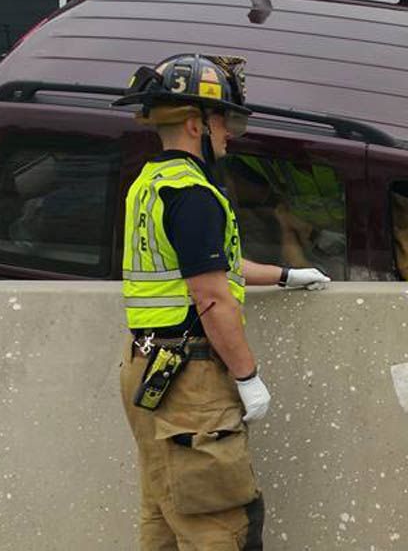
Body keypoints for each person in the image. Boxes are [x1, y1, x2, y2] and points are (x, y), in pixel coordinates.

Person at [113, 54, 331, 550]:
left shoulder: (150, 187)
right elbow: (212, 298)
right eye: (222, 122)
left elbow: (211, 270)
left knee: (164, 513)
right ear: (195, 124)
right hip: (189, 381)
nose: (229, 134)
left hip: (147, 366)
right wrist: (247, 377)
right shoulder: (194, 195)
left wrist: (283, 275)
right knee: (218, 526)